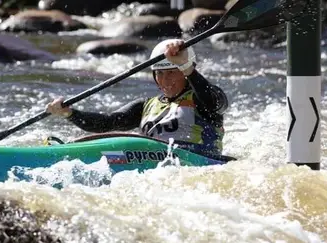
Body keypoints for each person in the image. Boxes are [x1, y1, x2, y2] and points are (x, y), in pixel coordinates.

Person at [46, 38, 229, 156]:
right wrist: (69, 113)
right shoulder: (146, 106)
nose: (165, 80)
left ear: (186, 71)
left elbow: (213, 103)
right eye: (159, 73)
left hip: (200, 164)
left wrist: (187, 66)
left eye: (172, 72)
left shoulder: (206, 98)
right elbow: (107, 123)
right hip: (152, 163)